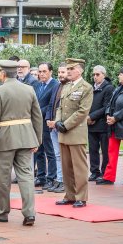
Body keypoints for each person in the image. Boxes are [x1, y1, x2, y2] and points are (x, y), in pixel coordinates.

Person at [0, 60, 42, 226]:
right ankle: (29, 213)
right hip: (26, 137)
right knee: (26, 177)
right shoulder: (29, 89)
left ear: (2, 74)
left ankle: (2, 212)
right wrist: (37, 139)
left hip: (5, 139)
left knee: (3, 178)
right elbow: (37, 116)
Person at [54, 58, 93, 208]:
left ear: (80, 70)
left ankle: (81, 197)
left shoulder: (86, 87)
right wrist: (58, 122)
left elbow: (83, 111)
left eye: (71, 69)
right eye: (67, 69)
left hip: (75, 132)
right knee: (66, 167)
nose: (68, 71)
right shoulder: (66, 86)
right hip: (63, 132)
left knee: (79, 167)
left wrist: (66, 124)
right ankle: (69, 195)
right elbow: (60, 108)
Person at [33, 62, 58, 189]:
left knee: (50, 151)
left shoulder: (55, 85)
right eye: (40, 71)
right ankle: (41, 176)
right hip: (37, 124)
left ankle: (51, 177)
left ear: (50, 72)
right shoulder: (37, 85)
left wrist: (36, 113)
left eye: (44, 71)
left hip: (47, 122)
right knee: (39, 151)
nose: (41, 74)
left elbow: (51, 104)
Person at [45, 63, 69, 193]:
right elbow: (51, 104)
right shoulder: (57, 86)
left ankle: (64, 181)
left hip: (63, 127)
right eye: (59, 72)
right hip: (53, 127)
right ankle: (59, 180)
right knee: (57, 155)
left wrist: (57, 122)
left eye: (63, 72)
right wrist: (48, 119)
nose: (60, 75)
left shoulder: (70, 87)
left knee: (64, 155)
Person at [87, 65, 114, 181]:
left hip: (102, 124)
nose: (95, 77)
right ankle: (94, 172)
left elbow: (106, 107)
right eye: (93, 74)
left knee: (105, 150)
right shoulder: (90, 88)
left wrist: (92, 117)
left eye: (97, 74)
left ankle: (105, 172)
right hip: (90, 124)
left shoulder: (109, 88)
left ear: (104, 75)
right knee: (92, 150)